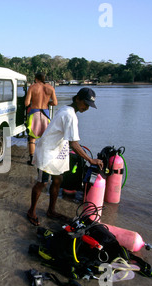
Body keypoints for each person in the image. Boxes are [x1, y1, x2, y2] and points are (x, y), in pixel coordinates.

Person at [26, 87, 103, 226]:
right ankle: (31, 211)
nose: (86, 107)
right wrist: (90, 160)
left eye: (89, 105)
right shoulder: (70, 115)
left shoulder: (67, 109)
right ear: (77, 99)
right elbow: (74, 143)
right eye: (85, 103)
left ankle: (51, 210)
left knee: (58, 179)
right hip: (47, 150)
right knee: (42, 182)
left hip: (56, 150)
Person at [25, 72, 58, 165]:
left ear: (36, 79)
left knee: (32, 138)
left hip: (34, 113)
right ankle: (45, 158)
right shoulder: (50, 88)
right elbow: (55, 103)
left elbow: (26, 103)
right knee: (46, 137)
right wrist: (48, 103)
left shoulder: (32, 87)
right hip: (45, 114)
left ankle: (32, 160)